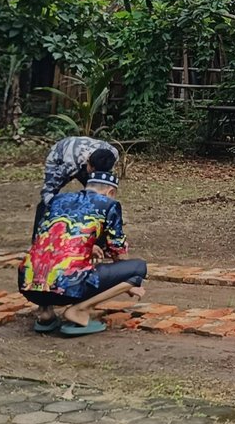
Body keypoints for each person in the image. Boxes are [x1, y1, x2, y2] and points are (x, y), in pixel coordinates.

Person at [19, 146, 147, 336]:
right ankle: (78, 311)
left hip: (28, 284)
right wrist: (129, 284)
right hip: (67, 288)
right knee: (137, 269)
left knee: (48, 258)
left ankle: (45, 312)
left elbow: (48, 238)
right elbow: (118, 250)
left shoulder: (57, 200)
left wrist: (89, 247)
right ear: (111, 192)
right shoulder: (109, 204)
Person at [39, 135, 121, 206]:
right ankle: (41, 221)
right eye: (93, 172)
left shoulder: (113, 154)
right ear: (88, 163)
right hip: (58, 156)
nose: (94, 175)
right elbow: (48, 189)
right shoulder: (70, 165)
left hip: (81, 157)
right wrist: (55, 208)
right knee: (50, 194)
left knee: (96, 192)